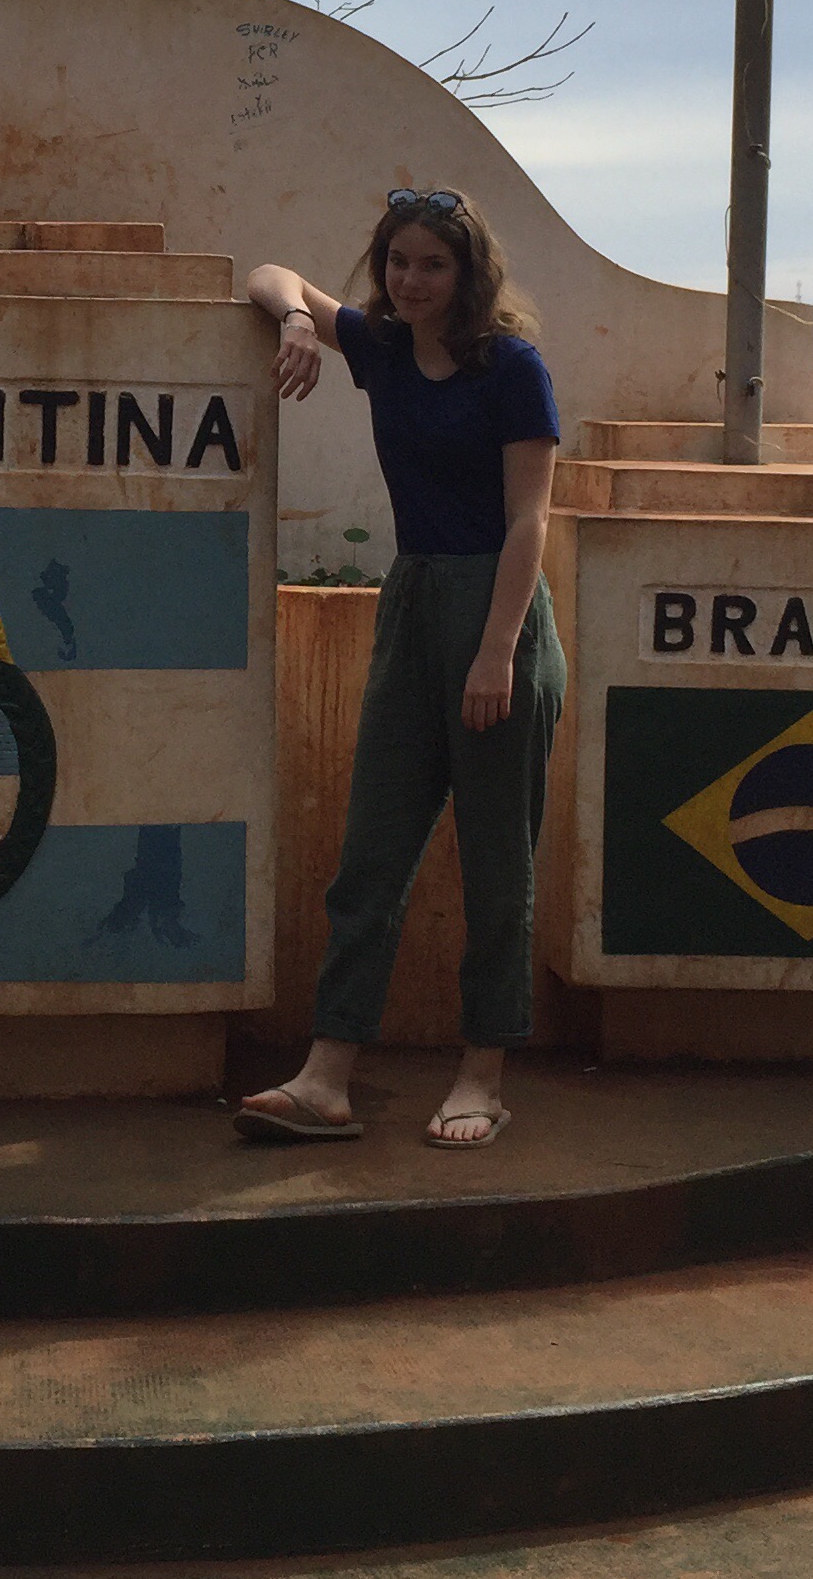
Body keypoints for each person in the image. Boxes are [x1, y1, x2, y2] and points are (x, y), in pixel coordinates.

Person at [233, 187, 568, 1149]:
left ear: (469, 274)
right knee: (372, 853)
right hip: (413, 601)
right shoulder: (379, 347)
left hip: (497, 613)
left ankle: (482, 1077)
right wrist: (299, 321)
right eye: (397, 261)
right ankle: (326, 1076)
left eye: (433, 264)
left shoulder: (512, 368)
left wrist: (497, 652)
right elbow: (269, 275)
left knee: (497, 864)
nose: (411, 280)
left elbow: (529, 520)